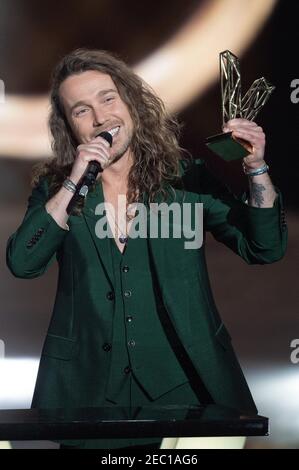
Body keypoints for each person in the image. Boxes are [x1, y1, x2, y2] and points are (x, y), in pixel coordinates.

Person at [6, 48, 287, 449]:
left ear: (132, 104)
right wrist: (72, 183)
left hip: (187, 391)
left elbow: (264, 247)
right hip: (89, 395)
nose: (101, 117)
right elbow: (23, 262)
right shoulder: (58, 190)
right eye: (81, 110)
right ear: (69, 126)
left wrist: (256, 168)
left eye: (108, 98)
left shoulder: (187, 180)